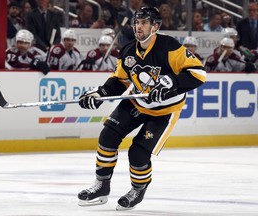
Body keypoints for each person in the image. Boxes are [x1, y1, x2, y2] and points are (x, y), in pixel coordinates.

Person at [77, 7, 206, 210]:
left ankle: (138, 189)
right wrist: (100, 94)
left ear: (155, 26)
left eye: (144, 22)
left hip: (164, 112)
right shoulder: (128, 50)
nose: (139, 26)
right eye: (137, 22)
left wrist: (171, 83)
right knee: (107, 136)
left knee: (137, 153)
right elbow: (119, 81)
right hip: (136, 102)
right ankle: (101, 186)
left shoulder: (169, 47)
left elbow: (198, 74)